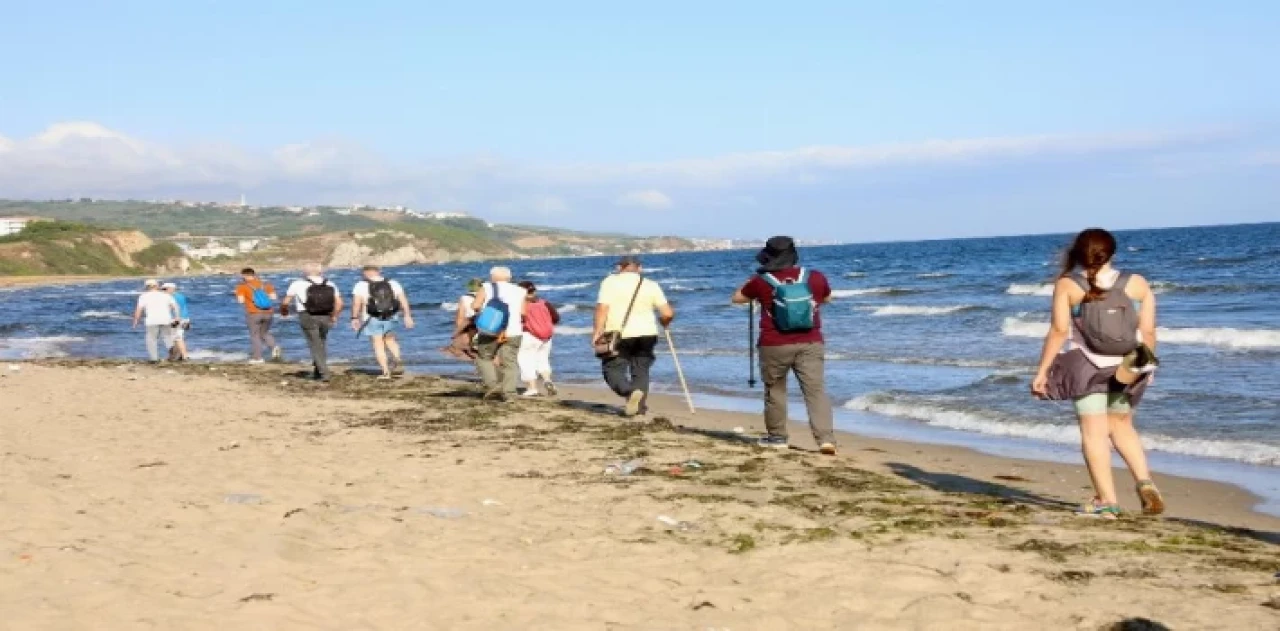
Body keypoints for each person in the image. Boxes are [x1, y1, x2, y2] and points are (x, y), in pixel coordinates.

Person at [1031, 228, 1165, 519]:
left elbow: (1058, 331)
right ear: (1112, 253)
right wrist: (1146, 365)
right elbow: (1150, 331)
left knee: (1094, 434)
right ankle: (1145, 482)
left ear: (1078, 254)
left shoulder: (1069, 285)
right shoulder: (1137, 283)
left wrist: (1042, 371)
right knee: (1122, 426)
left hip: (1088, 367)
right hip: (1129, 366)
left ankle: (1107, 501)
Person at [732, 236, 837, 455]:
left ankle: (778, 437)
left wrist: (755, 277)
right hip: (810, 341)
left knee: (775, 391)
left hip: (774, 344)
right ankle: (825, 439)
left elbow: (737, 298)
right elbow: (827, 299)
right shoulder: (815, 276)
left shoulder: (760, 281)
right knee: (815, 391)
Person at [592, 256, 674, 417]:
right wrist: (664, 322)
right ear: (640, 268)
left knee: (612, 368)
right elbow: (668, 313)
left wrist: (597, 331)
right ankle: (639, 409)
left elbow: (602, 308)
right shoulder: (651, 285)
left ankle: (630, 392)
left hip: (619, 333)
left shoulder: (610, 282)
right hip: (648, 333)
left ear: (619, 268)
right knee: (641, 370)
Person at [472, 266, 527, 399]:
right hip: (514, 330)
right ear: (509, 278)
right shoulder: (521, 290)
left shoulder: (486, 287)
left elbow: (475, 306)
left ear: (492, 277)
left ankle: (493, 384)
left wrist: (480, 313)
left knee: (484, 358)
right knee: (510, 362)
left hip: (491, 330)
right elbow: (523, 313)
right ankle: (510, 393)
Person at [350, 265, 414, 379]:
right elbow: (403, 300)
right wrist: (407, 315)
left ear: (364, 274)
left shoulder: (360, 285)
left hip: (372, 318)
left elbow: (356, 303)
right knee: (390, 339)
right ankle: (397, 361)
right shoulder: (393, 283)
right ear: (379, 272)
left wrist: (354, 318)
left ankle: (385, 372)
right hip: (391, 316)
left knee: (378, 343)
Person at [283, 263, 343, 382]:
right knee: (321, 343)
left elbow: (286, 302)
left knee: (314, 344)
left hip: (307, 315)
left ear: (305, 272)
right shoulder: (330, 283)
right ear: (321, 272)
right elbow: (340, 303)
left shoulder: (297, 283)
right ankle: (318, 371)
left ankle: (324, 373)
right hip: (326, 315)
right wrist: (335, 316)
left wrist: (284, 311)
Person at [516, 280, 560, 397]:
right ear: (534, 290)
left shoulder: (521, 304)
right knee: (543, 359)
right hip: (546, 336)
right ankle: (547, 380)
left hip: (529, 335)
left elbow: (518, 319)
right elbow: (556, 318)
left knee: (526, 360)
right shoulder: (544, 303)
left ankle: (532, 387)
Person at [234, 267, 281, 364]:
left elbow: (241, 301)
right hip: (268, 312)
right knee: (264, 333)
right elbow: (274, 297)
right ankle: (274, 346)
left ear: (244, 276)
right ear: (254, 275)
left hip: (253, 312)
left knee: (254, 335)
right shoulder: (266, 284)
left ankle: (258, 358)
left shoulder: (242, 286)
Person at [131, 279, 181, 363]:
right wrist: (177, 317)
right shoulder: (166, 295)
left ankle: (154, 359)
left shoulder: (143, 296)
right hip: (166, 319)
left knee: (151, 339)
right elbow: (176, 307)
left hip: (152, 320)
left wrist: (135, 321)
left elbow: (139, 310)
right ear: (157, 286)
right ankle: (175, 354)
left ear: (147, 287)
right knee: (167, 337)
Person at [441, 278, 484, 361]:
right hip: (486, 325)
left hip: (472, 325)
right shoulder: (487, 296)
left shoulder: (464, 298)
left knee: (469, 349)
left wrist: (458, 331)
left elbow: (460, 316)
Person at [162, 282, 191, 361]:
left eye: (164, 289)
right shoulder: (181, 296)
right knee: (176, 338)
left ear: (171, 289)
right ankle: (177, 355)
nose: (163, 291)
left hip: (177, 319)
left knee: (177, 338)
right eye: (162, 289)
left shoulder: (171, 297)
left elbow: (173, 308)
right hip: (185, 318)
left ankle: (184, 356)